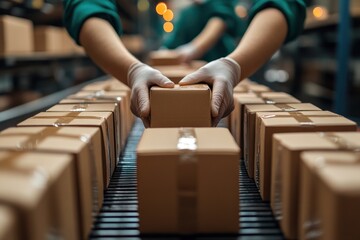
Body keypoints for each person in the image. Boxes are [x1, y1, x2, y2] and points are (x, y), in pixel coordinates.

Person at [63, 0, 306, 127]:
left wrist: (234, 65)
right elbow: (86, 4)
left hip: (223, 67)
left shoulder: (206, 8)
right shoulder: (186, 15)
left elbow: (282, 2)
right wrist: (131, 69)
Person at [162, 0, 238, 63]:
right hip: (190, 68)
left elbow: (219, 22)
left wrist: (194, 48)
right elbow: (175, 41)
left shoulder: (216, 4)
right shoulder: (187, 12)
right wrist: (166, 50)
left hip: (216, 62)